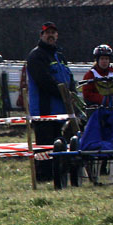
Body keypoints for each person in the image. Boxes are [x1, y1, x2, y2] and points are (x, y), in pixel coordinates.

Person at [26, 21, 74, 181]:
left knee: (61, 144)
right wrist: (64, 94)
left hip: (62, 111)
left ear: (57, 35)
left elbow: (69, 78)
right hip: (44, 111)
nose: (51, 35)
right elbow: (44, 81)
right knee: (45, 146)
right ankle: (43, 176)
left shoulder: (60, 56)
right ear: (41, 35)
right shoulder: (36, 56)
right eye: (47, 33)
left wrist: (72, 94)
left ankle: (58, 174)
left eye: (53, 33)